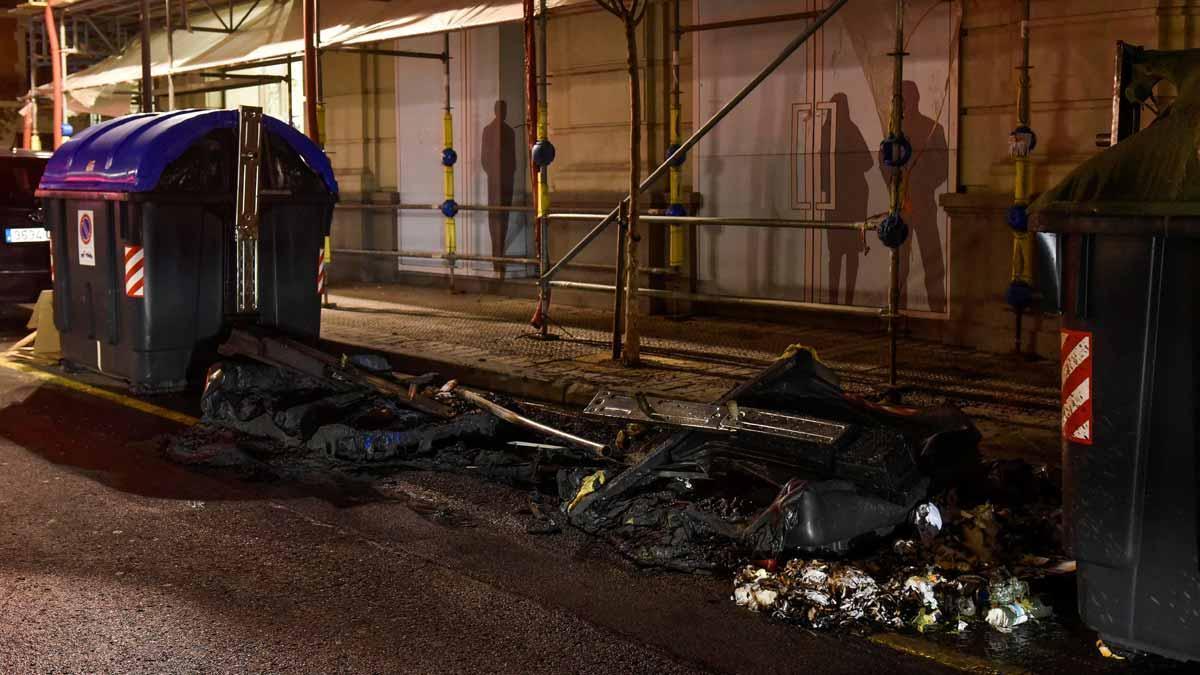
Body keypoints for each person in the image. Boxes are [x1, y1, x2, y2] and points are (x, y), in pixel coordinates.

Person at [885, 80, 948, 313]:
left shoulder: (932, 129)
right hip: (902, 207)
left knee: (931, 264)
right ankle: (898, 312)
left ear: (915, 98)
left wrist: (919, 186)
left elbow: (942, 168)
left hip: (918, 205)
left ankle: (937, 311)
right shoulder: (894, 132)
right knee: (900, 266)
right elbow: (886, 167)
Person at [824, 92, 873, 306]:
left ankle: (839, 301)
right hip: (845, 200)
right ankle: (843, 301)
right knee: (844, 254)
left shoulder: (833, 132)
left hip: (844, 200)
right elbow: (868, 162)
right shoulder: (845, 130)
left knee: (840, 254)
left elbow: (867, 161)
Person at [481, 100, 517, 278]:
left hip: (502, 180)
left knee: (500, 216)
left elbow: (512, 159)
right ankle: (497, 256)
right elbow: (485, 159)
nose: (503, 113)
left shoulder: (508, 132)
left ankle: (499, 256)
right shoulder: (490, 131)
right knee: (498, 216)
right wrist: (496, 174)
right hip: (499, 181)